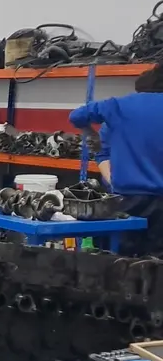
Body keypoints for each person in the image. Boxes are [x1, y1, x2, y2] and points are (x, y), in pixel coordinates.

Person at [70, 63, 163, 256]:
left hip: (127, 201)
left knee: (120, 264)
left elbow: (77, 116)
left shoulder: (119, 106)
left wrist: (91, 134)